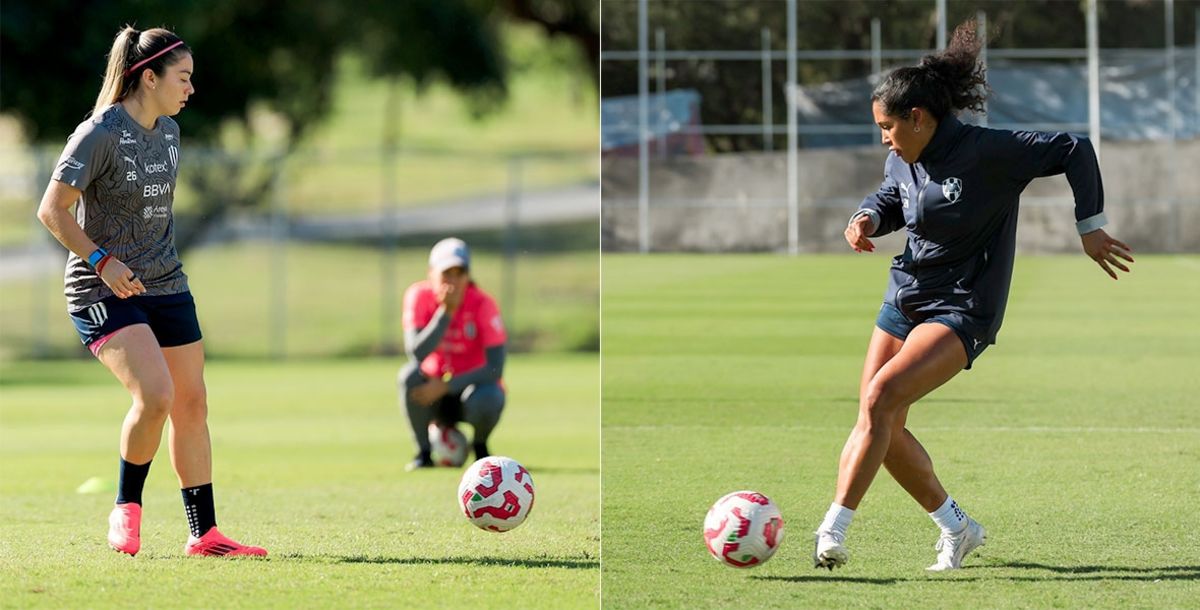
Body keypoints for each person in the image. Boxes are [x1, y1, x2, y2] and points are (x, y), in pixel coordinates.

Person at [812, 21, 1134, 572]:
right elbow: (894, 193)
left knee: (879, 401)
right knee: (880, 420)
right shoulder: (903, 155)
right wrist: (865, 217)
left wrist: (1091, 225)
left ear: (919, 118)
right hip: (905, 294)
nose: (884, 139)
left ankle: (830, 532)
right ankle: (957, 528)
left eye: (888, 127)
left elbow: (1073, 148)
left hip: (963, 306)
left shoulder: (987, 151)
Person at [36, 26, 266, 557]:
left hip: (166, 284)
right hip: (101, 288)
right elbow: (52, 210)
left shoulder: (169, 131)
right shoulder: (98, 133)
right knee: (156, 395)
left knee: (192, 403)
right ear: (149, 76)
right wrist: (102, 260)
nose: (190, 89)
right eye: (182, 78)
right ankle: (125, 507)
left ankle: (204, 534)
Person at [399, 238, 507, 471]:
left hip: (472, 390)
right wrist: (445, 313)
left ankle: (480, 448)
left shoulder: (483, 303)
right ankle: (423, 453)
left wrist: (448, 386)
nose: (454, 280)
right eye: (446, 273)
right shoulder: (418, 296)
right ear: (431, 274)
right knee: (409, 376)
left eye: (460, 273)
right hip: (433, 391)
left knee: (491, 396)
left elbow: (496, 366)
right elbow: (416, 352)